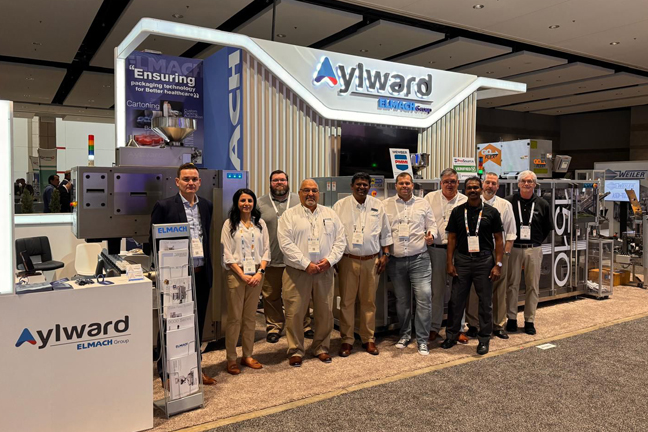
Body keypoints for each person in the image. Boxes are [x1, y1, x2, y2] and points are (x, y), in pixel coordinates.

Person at [149, 163, 216, 385]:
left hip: (201, 274)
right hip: (176, 277)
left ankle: (195, 367)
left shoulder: (206, 205)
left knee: (196, 324)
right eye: (186, 179)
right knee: (170, 324)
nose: (190, 183)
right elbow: (153, 242)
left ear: (200, 182)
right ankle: (166, 373)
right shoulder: (164, 206)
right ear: (177, 182)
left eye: (194, 179)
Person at [277, 179, 346, 367]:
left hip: (324, 271)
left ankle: (321, 347)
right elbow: (285, 244)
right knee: (295, 312)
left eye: (314, 190)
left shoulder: (330, 214)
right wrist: (305, 263)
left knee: (325, 312)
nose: (310, 194)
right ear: (299, 193)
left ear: (319, 193)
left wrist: (330, 260)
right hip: (297, 272)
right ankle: (295, 350)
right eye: (306, 190)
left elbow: (340, 240)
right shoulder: (289, 216)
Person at [441, 177, 504, 355]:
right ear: (465, 190)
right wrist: (449, 262)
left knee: (485, 302)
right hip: (462, 260)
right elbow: (452, 238)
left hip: (484, 261)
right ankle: (451, 336)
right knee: (456, 301)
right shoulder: (457, 211)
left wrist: (498, 264)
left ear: (481, 189)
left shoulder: (492, 212)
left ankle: (484, 339)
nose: (473, 190)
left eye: (476, 187)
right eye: (469, 188)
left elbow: (499, 239)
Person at [333, 173, 393, 357]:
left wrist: (386, 255)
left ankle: (368, 338)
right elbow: (332, 234)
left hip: (371, 261)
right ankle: (347, 339)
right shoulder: (340, 206)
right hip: (347, 260)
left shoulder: (378, 205)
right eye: (358, 184)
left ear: (369, 187)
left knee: (369, 302)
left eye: (365, 184)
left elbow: (385, 232)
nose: (362, 187)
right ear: (352, 186)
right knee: (347, 302)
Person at [384, 172, 437, 356]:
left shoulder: (423, 203)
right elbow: (383, 231)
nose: (404, 186)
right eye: (401, 183)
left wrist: (431, 235)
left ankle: (422, 340)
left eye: (407, 183)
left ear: (413, 185)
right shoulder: (386, 204)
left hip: (419, 259)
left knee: (424, 298)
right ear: (396, 186)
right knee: (402, 300)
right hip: (395, 261)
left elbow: (432, 225)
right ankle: (405, 335)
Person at [257, 170, 312, 343]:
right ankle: (274, 326)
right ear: (270, 183)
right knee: (271, 296)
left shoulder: (299, 200)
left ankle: (304, 325)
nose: (279, 183)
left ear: (288, 182)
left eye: (282, 180)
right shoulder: (260, 203)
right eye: (275, 180)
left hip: (296, 260)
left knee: (300, 295)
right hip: (271, 259)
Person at [221, 189, 270, 375]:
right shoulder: (229, 224)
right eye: (242, 200)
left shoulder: (260, 223)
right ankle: (231, 358)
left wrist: (260, 272)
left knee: (250, 317)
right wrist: (242, 275)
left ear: (254, 203)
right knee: (234, 318)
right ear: (237, 203)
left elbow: (266, 250)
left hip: (256, 273)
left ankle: (247, 355)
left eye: (250, 200)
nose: (246, 204)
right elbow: (226, 253)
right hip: (236, 274)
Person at [465, 172, 517, 339]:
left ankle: (498, 324)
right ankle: (473, 324)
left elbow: (510, 233)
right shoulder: (471, 203)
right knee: (474, 289)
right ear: (482, 184)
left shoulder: (504, 205)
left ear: (498, 186)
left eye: (494, 183)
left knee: (499, 289)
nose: (490, 186)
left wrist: (505, 255)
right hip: (476, 253)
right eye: (487, 182)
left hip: (498, 252)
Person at [505, 170, 554, 335]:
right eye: (524, 181)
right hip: (513, 248)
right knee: (512, 285)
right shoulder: (509, 202)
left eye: (530, 181)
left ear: (535, 184)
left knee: (532, 286)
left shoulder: (543, 204)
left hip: (534, 249)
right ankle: (511, 318)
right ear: (518, 184)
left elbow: (547, 228)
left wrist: (536, 241)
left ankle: (529, 320)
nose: (527, 184)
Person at [424, 168, 468, 344]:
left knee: (459, 291)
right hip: (437, 250)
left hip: (459, 252)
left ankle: (459, 328)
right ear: (440, 183)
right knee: (437, 291)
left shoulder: (465, 200)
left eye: (453, 181)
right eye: (446, 181)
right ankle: (434, 327)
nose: (450, 184)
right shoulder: (430, 198)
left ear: (458, 183)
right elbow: (424, 221)